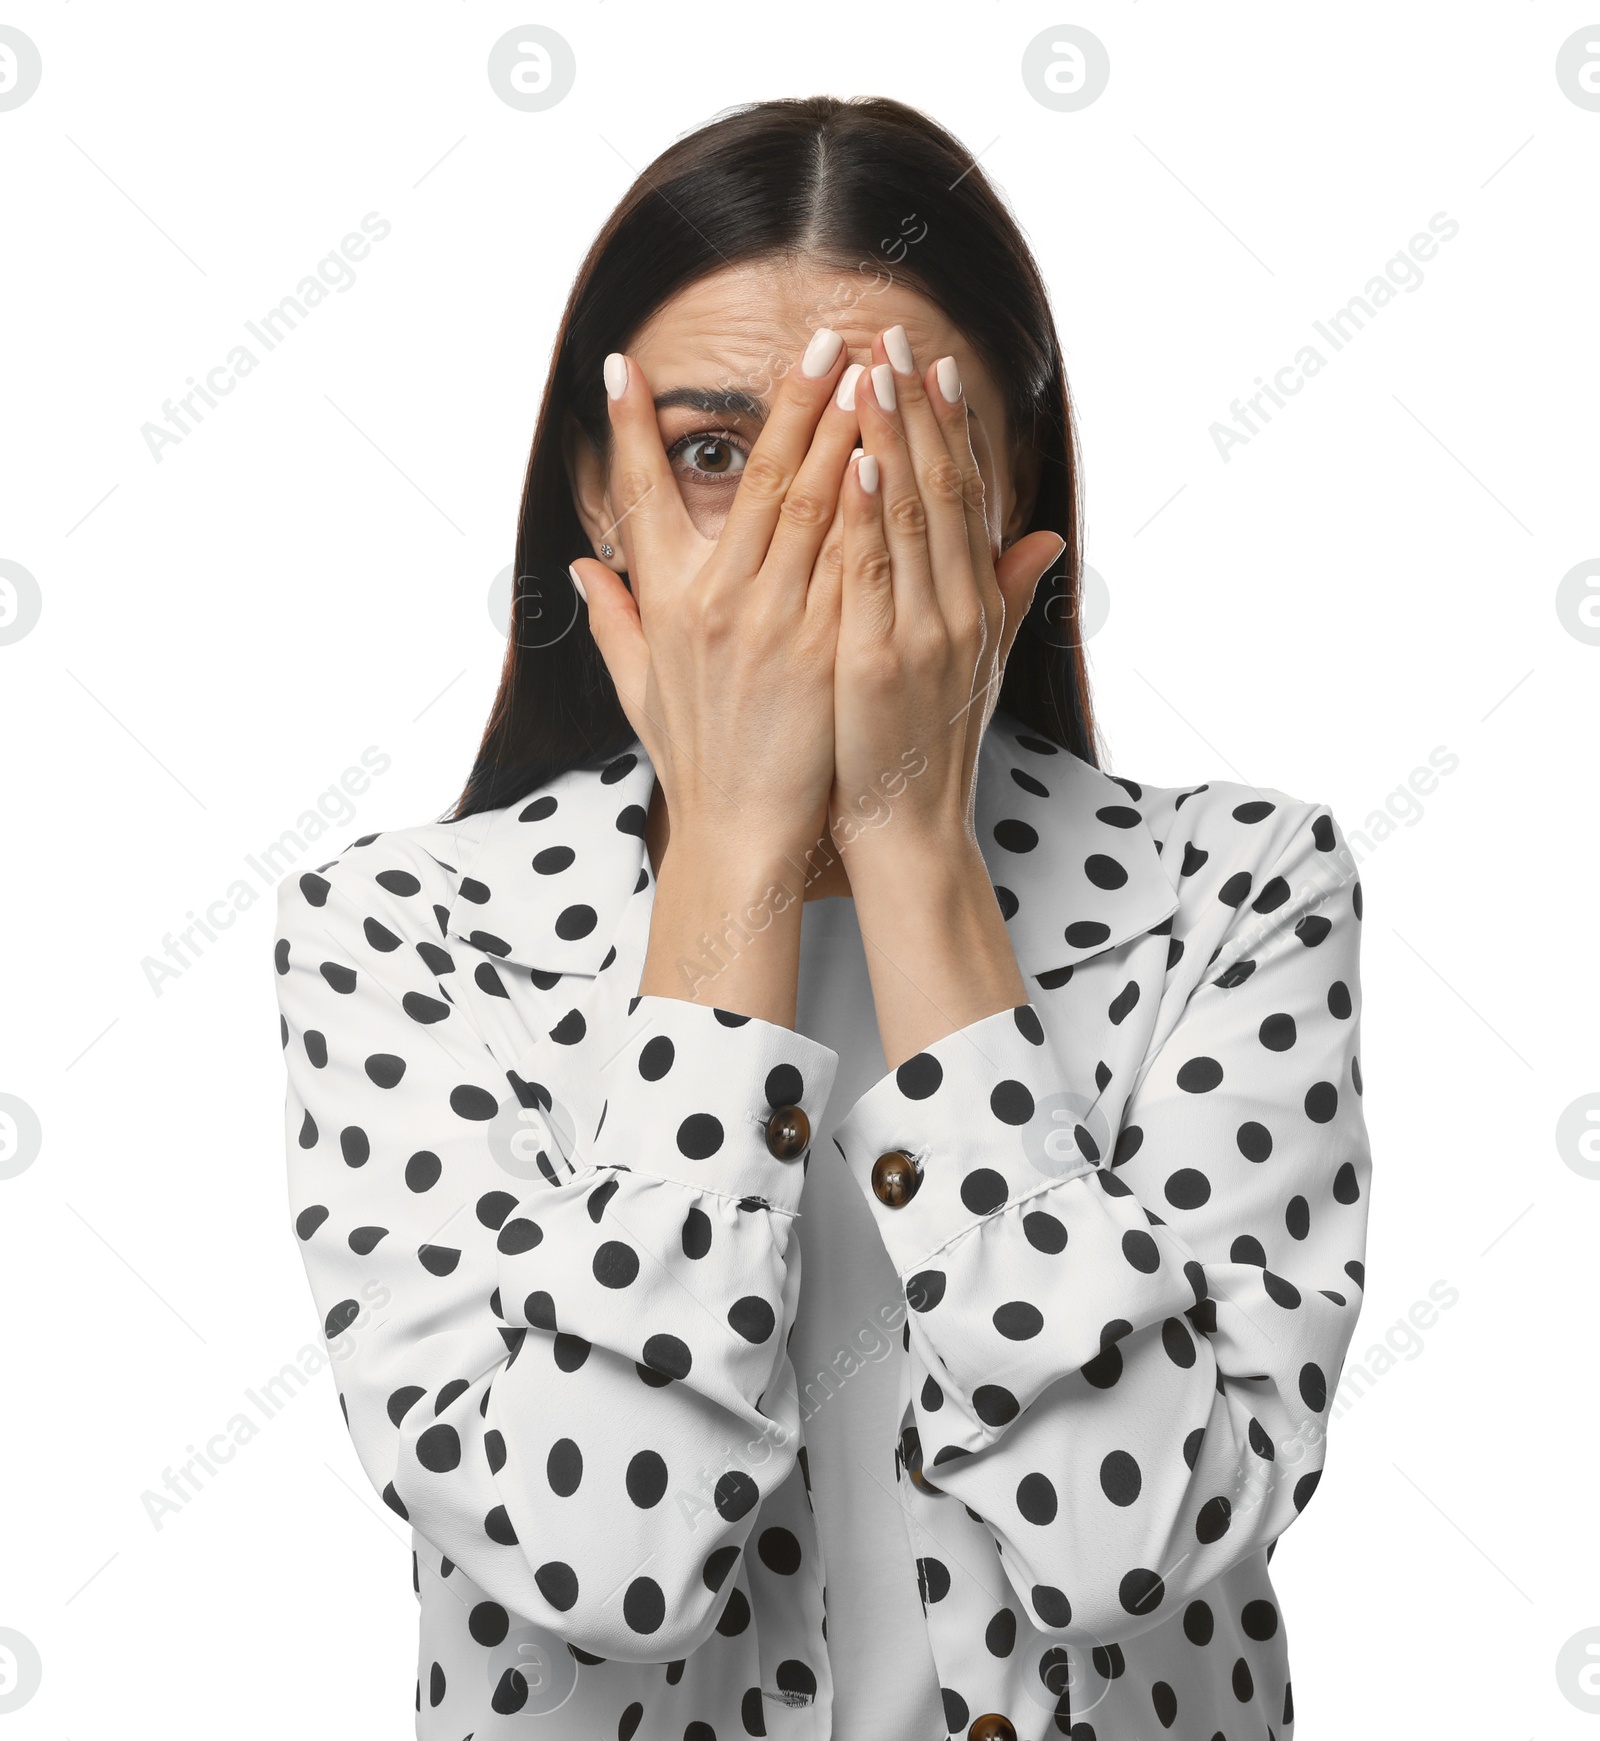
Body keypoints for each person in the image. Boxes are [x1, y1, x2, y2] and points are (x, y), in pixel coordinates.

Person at [273, 94, 1371, 1741]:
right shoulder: (401, 932)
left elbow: (1136, 1539)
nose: (808, 539)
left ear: (1008, 499)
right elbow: (597, 1557)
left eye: (889, 459)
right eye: (719, 455)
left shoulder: (1237, 897)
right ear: (599, 496)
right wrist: (732, 849)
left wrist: (915, 853)